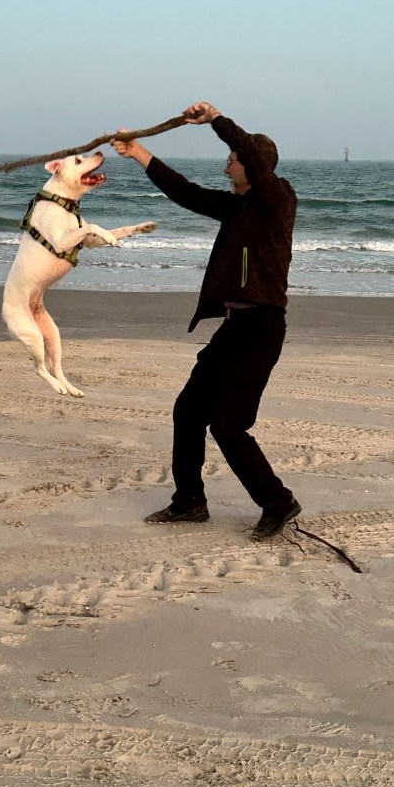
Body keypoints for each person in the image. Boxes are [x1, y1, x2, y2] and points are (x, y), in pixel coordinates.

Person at [111, 101, 300, 540]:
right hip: (234, 328)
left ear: (254, 166)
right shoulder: (235, 208)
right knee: (188, 412)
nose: (228, 162)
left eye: (234, 158)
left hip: (261, 328)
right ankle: (190, 503)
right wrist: (139, 153)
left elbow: (251, 155)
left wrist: (217, 121)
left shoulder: (277, 200)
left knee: (229, 425)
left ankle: (278, 502)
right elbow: (185, 192)